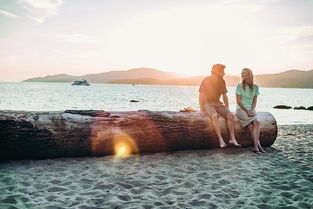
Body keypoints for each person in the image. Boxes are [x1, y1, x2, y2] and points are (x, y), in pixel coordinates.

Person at [199, 64, 241, 148]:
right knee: (214, 116)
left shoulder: (222, 81)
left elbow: (224, 96)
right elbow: (201, 96)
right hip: (208, 104)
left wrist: (227, 108)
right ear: (216, 71)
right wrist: (202, 109)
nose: (224, 73)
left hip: (218, 103)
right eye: (222, 71)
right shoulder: (206, 80)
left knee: (231, 116)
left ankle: (232, 139)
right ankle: (220, 140)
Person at [235, 68, 265, 153]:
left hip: (251, 109)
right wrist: (247, 111)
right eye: (242, 73)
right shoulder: (239, 86)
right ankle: (258, 147)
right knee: (251, 126)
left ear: (249, 74)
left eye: (245, 73)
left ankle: (256, 147)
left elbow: (255, 101)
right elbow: (238, 101)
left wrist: (252, 110)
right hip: (241, 110)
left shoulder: (255, 87)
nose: (243, 75)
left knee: (257, 123)